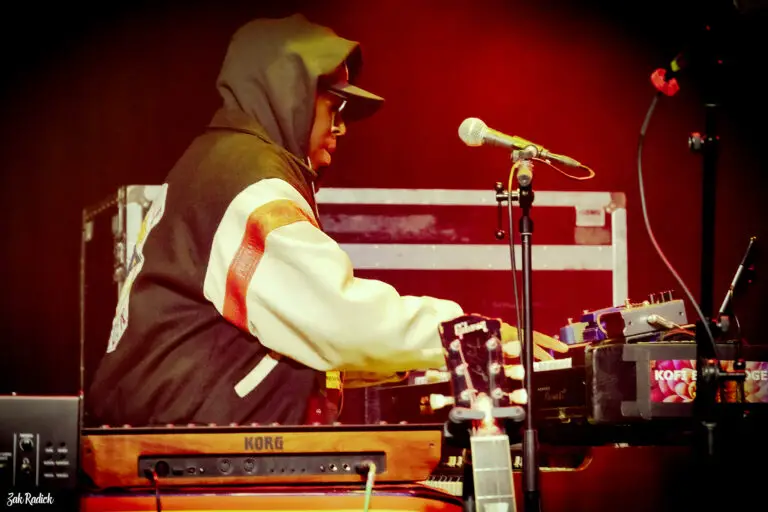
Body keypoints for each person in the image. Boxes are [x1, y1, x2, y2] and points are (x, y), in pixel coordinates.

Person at [87, 14, 567, 427]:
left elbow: (294, 337)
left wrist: (398, 361)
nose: (340, 126)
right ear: (288, 96)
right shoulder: (247, 183)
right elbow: (338, 319)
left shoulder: (217, 163)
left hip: (177, 436)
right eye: (334, 106)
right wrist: (470, 336)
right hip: (184, 454)